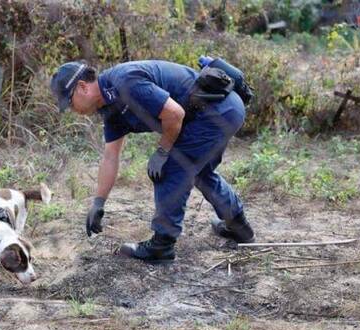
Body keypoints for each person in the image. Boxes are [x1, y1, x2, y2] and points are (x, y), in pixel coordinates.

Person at [50, 59, 254, 264]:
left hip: (218, 111)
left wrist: (162, 152)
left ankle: (162, 246)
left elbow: (174, 114)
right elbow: (111, 155)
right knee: (199, 172)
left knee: (172, 167)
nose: (72, 109)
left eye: (69, 102)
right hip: (222, 111)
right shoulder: (110, 108)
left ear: (82, 87)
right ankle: (238, 226)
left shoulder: (125, 81)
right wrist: (98, 203)